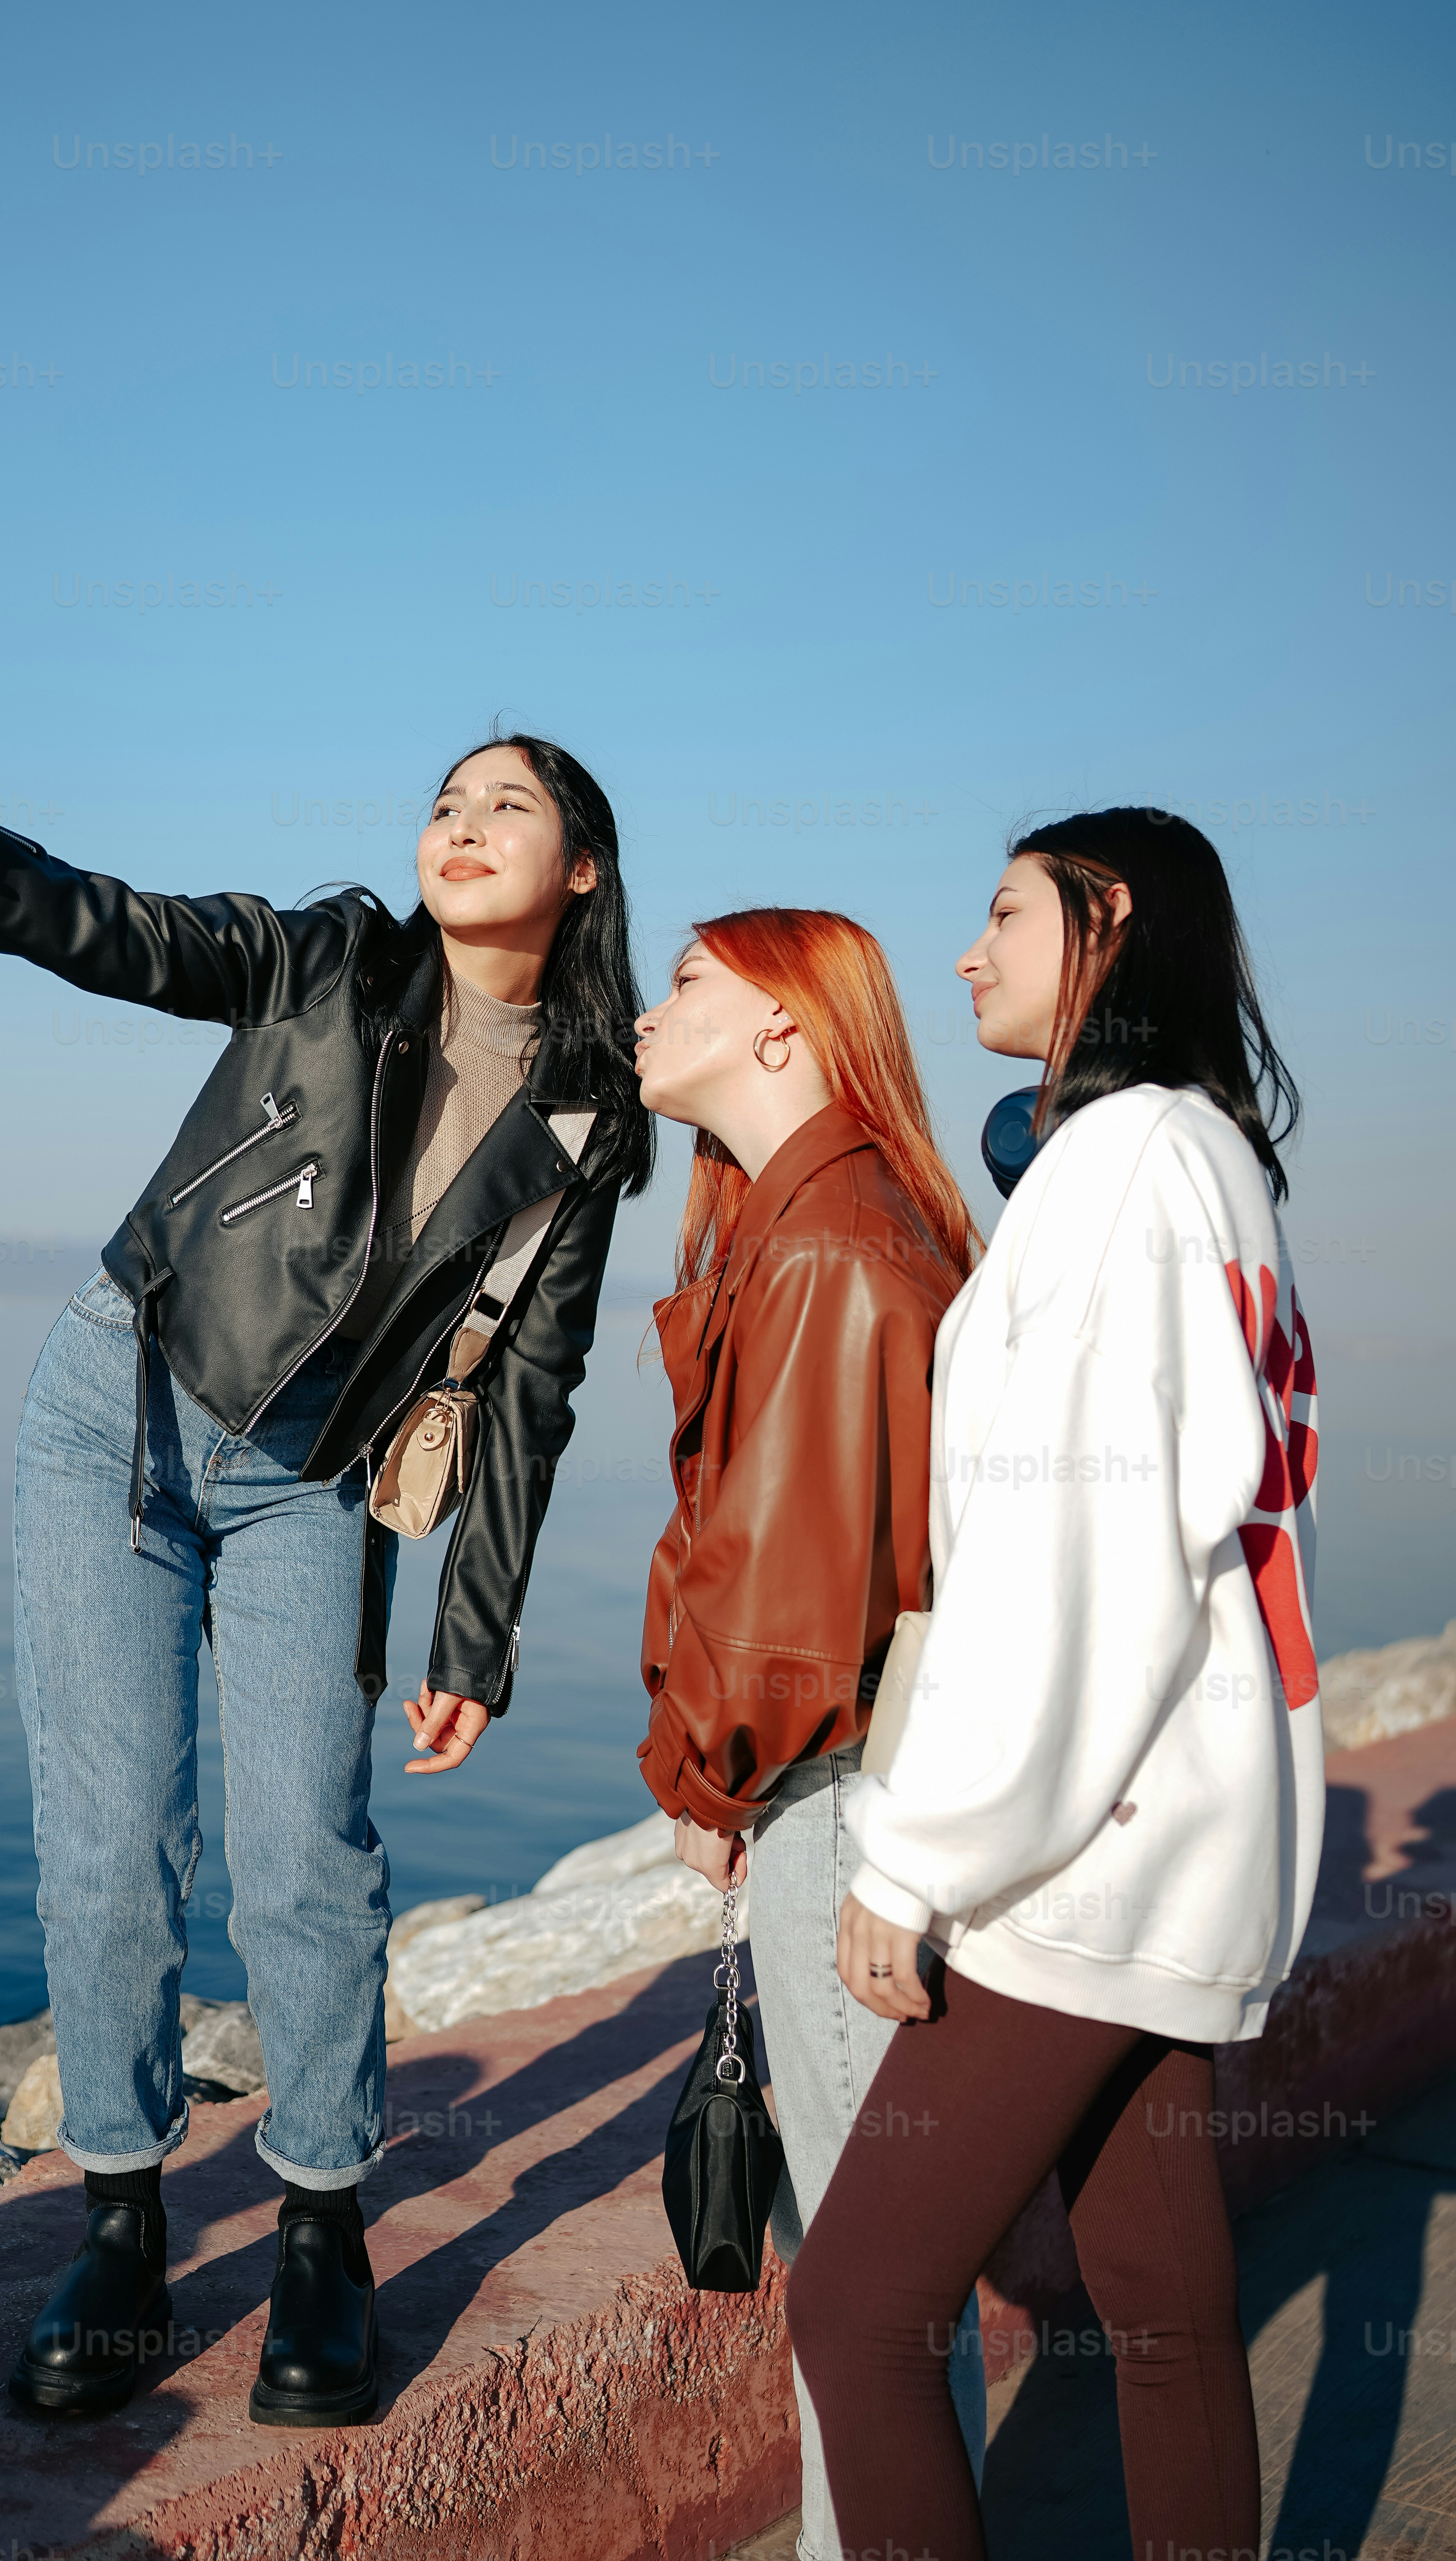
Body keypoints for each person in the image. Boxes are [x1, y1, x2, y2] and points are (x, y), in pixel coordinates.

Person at [0, 667, 652, 2422]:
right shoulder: (327, 958)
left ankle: (322, 2237)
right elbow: (91, 926)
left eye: (507, 802)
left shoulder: (587, 1115)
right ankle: (120, 2222)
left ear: (584, 867)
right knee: (113, 1844)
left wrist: (473, 1641)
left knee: (307, 1864)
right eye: (445, 797)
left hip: (311, 1479)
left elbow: (537, 1387)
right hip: (116, 1413)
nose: (462, 822)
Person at [791, 810, 1320, 2561]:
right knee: (1159, 2294)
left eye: (1003, 913)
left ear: (1107, 924)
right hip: (1193, 1813)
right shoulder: (1218, 1161)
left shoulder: (1116, 1170)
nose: (966, 951)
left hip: (1087, 1831)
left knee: (857, 2312)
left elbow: (1083, 1558)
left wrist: (920, 1855)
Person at [632, 907, 987, 2560]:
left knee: (858, 2285)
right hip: (854, 1774)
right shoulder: (821, 1221)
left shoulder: (827, 1246)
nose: (653, 1006)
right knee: (883, 2274)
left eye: (691, 980)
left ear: (785, 1028)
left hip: (837, 1788)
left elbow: (790, 1592)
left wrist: (705, 1773)